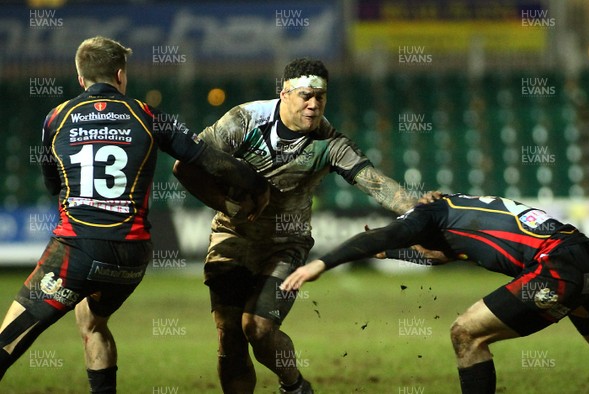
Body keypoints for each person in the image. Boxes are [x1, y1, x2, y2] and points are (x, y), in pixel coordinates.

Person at [0, 36, 268, 393]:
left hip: (77, 250)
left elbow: (53, 186)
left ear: (80, 79)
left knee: (6, 345)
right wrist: (257, 185)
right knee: (92, 323)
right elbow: (209, 160)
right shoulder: (147, 115)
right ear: (121, 75)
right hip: (130, 258)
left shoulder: (56, 118)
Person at [173, 58, 435, 394]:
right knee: (229, 334)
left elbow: (377, 184)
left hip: (286, 244)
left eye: (321, 98)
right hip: (232, 236)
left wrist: (423, 212)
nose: (314, 105)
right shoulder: (244, 121)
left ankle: (294, 386)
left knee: (259, 328)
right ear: (284, 94)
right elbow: (185, 167)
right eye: (306, 96)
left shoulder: (329, 142)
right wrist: (228, 206)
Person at [281, 193, 589, 394]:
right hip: (587, 258)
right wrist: (392, 255)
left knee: (466, 335)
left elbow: (385, 235)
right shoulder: (458, 212)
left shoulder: (424, 214)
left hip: (556, 268)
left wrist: (321, 263)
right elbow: (436, 256)